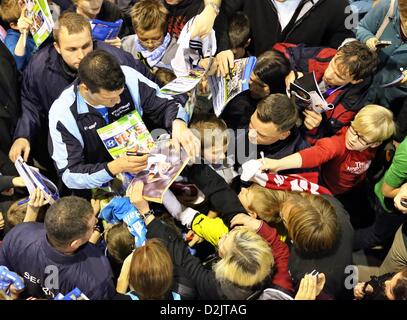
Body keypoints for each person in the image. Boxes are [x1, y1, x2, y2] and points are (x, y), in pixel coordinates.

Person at [8, 12, 154, 178]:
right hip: (75, 154)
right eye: (72, 49)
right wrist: (23, 135)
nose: (81, 55)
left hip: (124, 145)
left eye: (86, 46)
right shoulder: (39, 68)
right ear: (57, 47)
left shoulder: (116, 59)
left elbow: (151, 90)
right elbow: (30, 103)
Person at [48, 49, 199, 190]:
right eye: (109, 97)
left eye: (120, 93)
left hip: (148, 164)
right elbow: (69, 175)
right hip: (103, 184)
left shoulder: (130, 77)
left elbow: (167, 104)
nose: (118, 101)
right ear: (85, 89)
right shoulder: (62, 114)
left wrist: (179, 122)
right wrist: (114, 167)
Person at [128, 180, 293, 299]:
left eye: (225, 239)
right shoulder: (277, 275)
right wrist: (260, 226)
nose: (224, 235)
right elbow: (281, 250)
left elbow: (182, 256)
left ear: (223, 261)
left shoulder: (214, 288)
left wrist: (146, 212)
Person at [237, 185, 354, 298]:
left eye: (283, 219)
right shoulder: (334, 205)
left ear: (295, 237)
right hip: (348, 274)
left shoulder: (301, 273)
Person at [261, 105, 396, 195]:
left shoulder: (375, 146)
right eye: (353, 129)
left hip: (353, 186)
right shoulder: (338, 144)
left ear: (375, 143)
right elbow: (316, 154)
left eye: (362, 138)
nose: (353, 138)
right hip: (327, 187)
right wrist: (277, 164)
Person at [0, 196, 116, 299]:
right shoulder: (97, 276)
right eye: (93, 225)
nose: (96, 220)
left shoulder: (19, 235)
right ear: (75, 243)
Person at [214, 0, 353, 77]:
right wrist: (223, 48)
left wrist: (302, 78)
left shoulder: (339, 6)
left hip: (287, 92)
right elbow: (222, 13)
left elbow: (338, 49)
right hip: (241, 75)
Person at [276, 40, 379, 143]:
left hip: (295, 131)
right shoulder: (327, 54)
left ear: (355, 81)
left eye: (339, 76)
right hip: (279, 99)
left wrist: (314, 128)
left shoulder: (353, 102)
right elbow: (280, 48)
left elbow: (326, 139)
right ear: (337, 53)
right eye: (332, 64)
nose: (328, 75)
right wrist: (289, 70)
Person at [235, 94, 318, 181]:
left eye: (261, 135)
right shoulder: (244, 116)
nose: (250, 134)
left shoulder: (301, 160)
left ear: (283, 135)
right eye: (251, 124)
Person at [354, 135, 407, 250]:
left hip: (381, 192)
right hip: (388, 205)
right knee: (376, 235)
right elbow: (387, 191)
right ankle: (342, 246)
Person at [221, 50, 291, 130]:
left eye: (260, 85)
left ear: (275, 87)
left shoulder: (277, 110)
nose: (251, 86)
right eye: (251, 79)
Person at [356, 0, 407, 107]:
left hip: (391, 100)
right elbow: (361, 28)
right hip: (360, 84)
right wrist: (368, 39)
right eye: (405, 18)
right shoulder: (387, 7)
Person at [121, 0, 178, 72]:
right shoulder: (127, 45)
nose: (150, 45)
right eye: (143, 39)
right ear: (136, 32)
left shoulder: (175, 52)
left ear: (164, 30)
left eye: (156, 38)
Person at [0, 0, 36, 70]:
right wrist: (23, 34)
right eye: (27, 14)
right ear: (14, 25)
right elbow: (17, 64)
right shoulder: (11, 39)